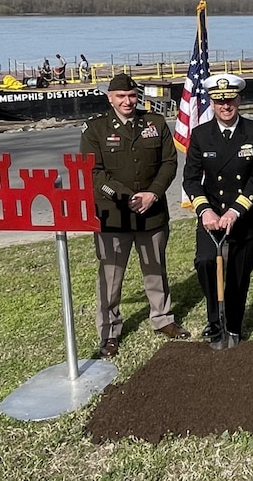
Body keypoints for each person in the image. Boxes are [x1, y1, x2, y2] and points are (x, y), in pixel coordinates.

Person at [79, 73, 188, 358]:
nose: (127, 101)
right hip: (113, 216)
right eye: (120, 96)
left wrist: (153, 193)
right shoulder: (95, 129)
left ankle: (162, 319)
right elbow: (93, 172)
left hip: (151, 212)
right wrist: (124, 196)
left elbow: (169, 162)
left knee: (155, 268)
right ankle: (109, 331)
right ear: (110, 98)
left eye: (130, 96)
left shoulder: (154, 123)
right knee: (111, 276)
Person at [182, 73, 253, 344]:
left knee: (237, 273)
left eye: (230, 100)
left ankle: (233, 324)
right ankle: (214, 319)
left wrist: (235, 211)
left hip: (245, 214)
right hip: (211, 212)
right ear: (211, 102)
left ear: (239, 100)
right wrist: (205, 211)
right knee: (205, 261)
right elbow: (190, 178)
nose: (225, 106)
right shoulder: (200, 135)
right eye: (219, 101)